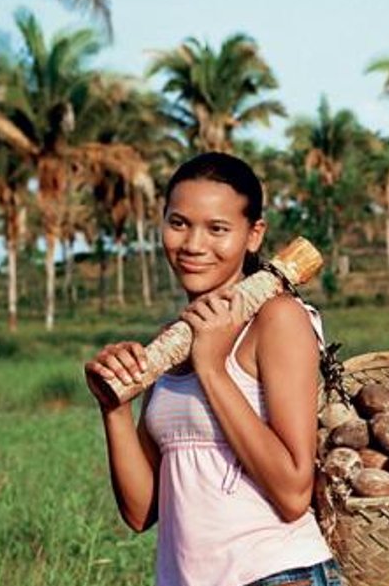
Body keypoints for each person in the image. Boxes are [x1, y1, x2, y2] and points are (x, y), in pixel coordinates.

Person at [84, 152, 345, 586]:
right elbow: (141, 511)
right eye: (178, 222)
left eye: (218, 229)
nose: (192, 245)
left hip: (278, 573)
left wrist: (212, 368)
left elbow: (294, 492)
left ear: (254, 234)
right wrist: (113, 408)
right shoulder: (171, 342)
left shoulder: (277, 320)